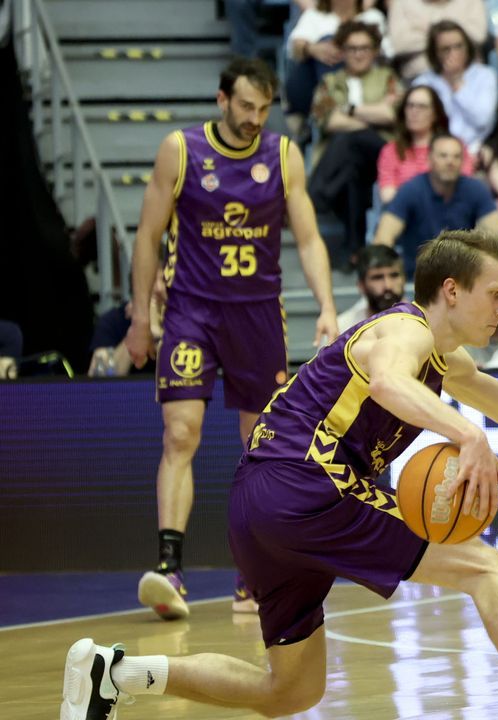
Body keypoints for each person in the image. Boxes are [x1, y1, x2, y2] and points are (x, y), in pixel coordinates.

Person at [63, 231, 498, 720]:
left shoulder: (442, 358)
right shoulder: (403, 329)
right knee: (483, 566)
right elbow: (393, 384)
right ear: (451, 290)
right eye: (495, 294)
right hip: (306, 479)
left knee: (290, 690)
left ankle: (113, 676)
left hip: (256, 504)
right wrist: (466, 433)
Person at [121, 58, 339, 620]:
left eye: (264, 109)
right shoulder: (181, 149)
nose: (254, 119)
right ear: (222, 100)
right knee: (181, 433)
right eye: (246, 106)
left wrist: (328, 308)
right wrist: (141, 316)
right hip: (192, 310)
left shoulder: (284, 154)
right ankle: (170, 567)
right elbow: (147, 236)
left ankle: (253, 572)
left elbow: (310, 239)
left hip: (259, 314)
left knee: (259, 445)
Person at [307, 20, 402, 265]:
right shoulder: (330, 81)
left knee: (349, 139)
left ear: (374, 51)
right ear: (342, 51)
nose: (358, 54)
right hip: (347, 161)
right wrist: (373, 116)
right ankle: (355, 249)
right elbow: (327, 120)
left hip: (382, 152)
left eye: (364, 48)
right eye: (352, 48)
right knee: (351, 169)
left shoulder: (388, 77)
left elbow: (392, 115)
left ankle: (316, 195)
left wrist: (348, 109)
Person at [372, 134, 498, 277]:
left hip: (463, 277)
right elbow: (383, 240)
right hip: (417, 278)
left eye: (456, 157)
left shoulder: (475, 190)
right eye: (443, 156)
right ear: (429, 159)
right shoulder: (411, 190)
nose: (450, 162)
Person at [377, 86, 477, 205]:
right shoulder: (391, 150)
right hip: (407, 217)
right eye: (410, 105)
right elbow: (387, 196)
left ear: (435, 114)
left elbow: (462, 187)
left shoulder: (454, 146)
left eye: (422, 106)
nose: (414, 111)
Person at [410, 20, 498, 153]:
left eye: (459, 46)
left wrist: (457, 83)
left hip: (476, 149)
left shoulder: (485, 76)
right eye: (446, 49)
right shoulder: (423, 83)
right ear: (435, 53)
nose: (454, 53)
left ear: (468, 47)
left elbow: (483, 120)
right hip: (433, 153)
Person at [389, 0, 489, 80]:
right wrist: (453, 32)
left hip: (468, 75)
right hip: (419, 76)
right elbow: (399, 44)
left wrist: (426, 32)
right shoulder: (402, 2)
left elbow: (478, 34)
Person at [336, 245, 405, 332]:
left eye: (394, 275)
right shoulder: (342, 329)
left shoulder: (423, 322)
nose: (388, 286)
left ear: (404, 279)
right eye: (377, 277)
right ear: (361, 285)